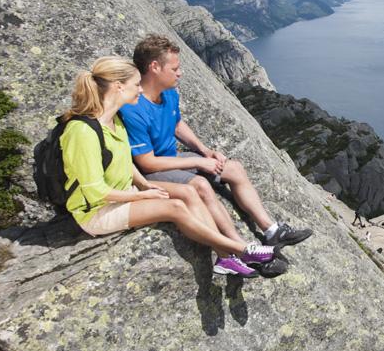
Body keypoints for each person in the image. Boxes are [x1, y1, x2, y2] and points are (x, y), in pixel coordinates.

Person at [61, 57, 284, 278]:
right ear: (118, 87)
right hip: (97, 211)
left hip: (124, 192)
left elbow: (124, 161)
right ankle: (239, 250)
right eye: (136, 84)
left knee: (189, 190)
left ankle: (225, 258)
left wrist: (144, 184)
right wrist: (142, 196)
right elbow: (94, 191)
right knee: (175, 207)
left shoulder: (113, 121)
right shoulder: (82, 132)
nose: (140, 90)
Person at [120, 35, 312, 255]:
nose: (180, 73)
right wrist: (199, 161)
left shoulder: (168, 93)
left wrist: (205, 150)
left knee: (234, 168)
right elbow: (147, 162)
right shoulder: (133, 107)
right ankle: (243, 250)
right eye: (174, 68)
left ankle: (272, 231)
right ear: (154, 67)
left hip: (172, 160)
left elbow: (176, 125)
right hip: (151, 172)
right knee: (201, 184)